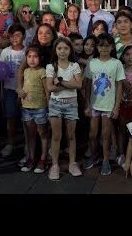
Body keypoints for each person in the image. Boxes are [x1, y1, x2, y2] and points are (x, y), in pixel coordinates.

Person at [83, 33, 125, 176]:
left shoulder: (116, 63)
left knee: (105, 135)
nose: (104, 48)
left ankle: (106, 160)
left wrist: (116, 107)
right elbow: (87, 85)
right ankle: (95, 156)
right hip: (94, 105)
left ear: (112, 47)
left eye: (107, 45)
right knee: (92, 134)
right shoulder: (92, 62)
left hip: (108, 106)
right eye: (101, 45)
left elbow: (119, 86)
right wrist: (87, 104)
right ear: (97, 47)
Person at [46, 38, 83, 180]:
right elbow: (50, 87)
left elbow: (79, 84)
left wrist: (60, 81)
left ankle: (72, 163)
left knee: (71, 136)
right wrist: (69, 84)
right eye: (59, 48)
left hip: (71, 104)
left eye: (66, 48)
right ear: (55, 50)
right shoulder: (51, 66)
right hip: (55, 104)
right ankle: (54, 165)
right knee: (56, 136)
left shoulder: (74, 66)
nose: (62, 51)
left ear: (70, 50)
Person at [18, 46, 49, 174]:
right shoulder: (25, 71)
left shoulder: (42, 71)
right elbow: (21, 88)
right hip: (26, 108)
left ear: (40, 58)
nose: (32, 59)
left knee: (42, 133)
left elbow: (47, 91)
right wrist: (20, 94)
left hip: (40, 108)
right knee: (31, 134)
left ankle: (43, 159)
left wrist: (49, 107)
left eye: (35, 56)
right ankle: (31, 158)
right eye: (29, 56)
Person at [0, 24, 26, 158]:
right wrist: (1, 92)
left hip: (25, 90)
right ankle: (11, 143)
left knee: (26, 117)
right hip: (9, 89)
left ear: (23, 36)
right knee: (10, 117)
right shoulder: (5, 52)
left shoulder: (27, 52)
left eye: (18, 35)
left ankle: (28, 144)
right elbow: (1, 75)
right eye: (12, 35)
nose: (15, 38)